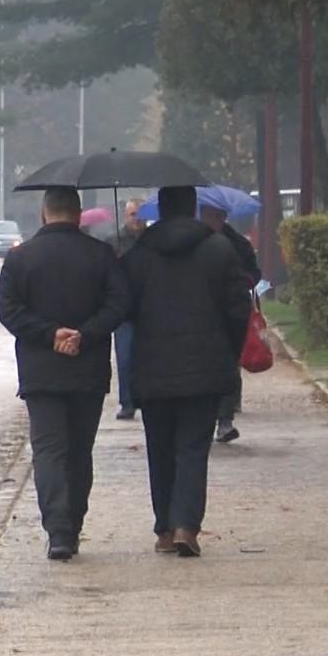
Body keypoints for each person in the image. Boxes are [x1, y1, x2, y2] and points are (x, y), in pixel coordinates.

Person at [0, 187, 127, 561]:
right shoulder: (101, 256)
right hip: (86, 368)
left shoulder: (21, 259)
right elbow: (119, 304)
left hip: (40, 370)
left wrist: (49, 334)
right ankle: (75, 521)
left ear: (44, 213)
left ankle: (58, 531)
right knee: (79, 450)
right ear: (79, 213)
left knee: (49, 450)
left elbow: (9, 310)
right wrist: (84, 335)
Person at [122, 186, 252, 557]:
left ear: (159, 211)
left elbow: (124, 307)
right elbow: (238, 307)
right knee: (193, 449)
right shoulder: (218, 249)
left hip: (153, 367)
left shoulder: (140, 254)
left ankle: (163, 527)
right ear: (192, 209)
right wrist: (228, 348)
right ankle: (185, 526)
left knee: (159, 449)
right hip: (204, 367)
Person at [199, 204, 261, 443]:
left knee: (228, 366)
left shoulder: (238, 244)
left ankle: (225, 419)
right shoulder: (194, 242)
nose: (212, 220)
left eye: (217, 216)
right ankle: (208, 417)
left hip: (230, 313)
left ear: (224, 217)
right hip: (202, 312)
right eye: (208, 215)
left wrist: (241, 279)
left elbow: (254, 273)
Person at [107, 199, 145, 420]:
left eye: (139, 214)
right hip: (124, 309)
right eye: (132, 214)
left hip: (148, 307)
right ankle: (127, 402)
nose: (136, 219)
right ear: (125, 215)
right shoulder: (115, 242)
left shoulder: (152, 240)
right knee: (124, 357)